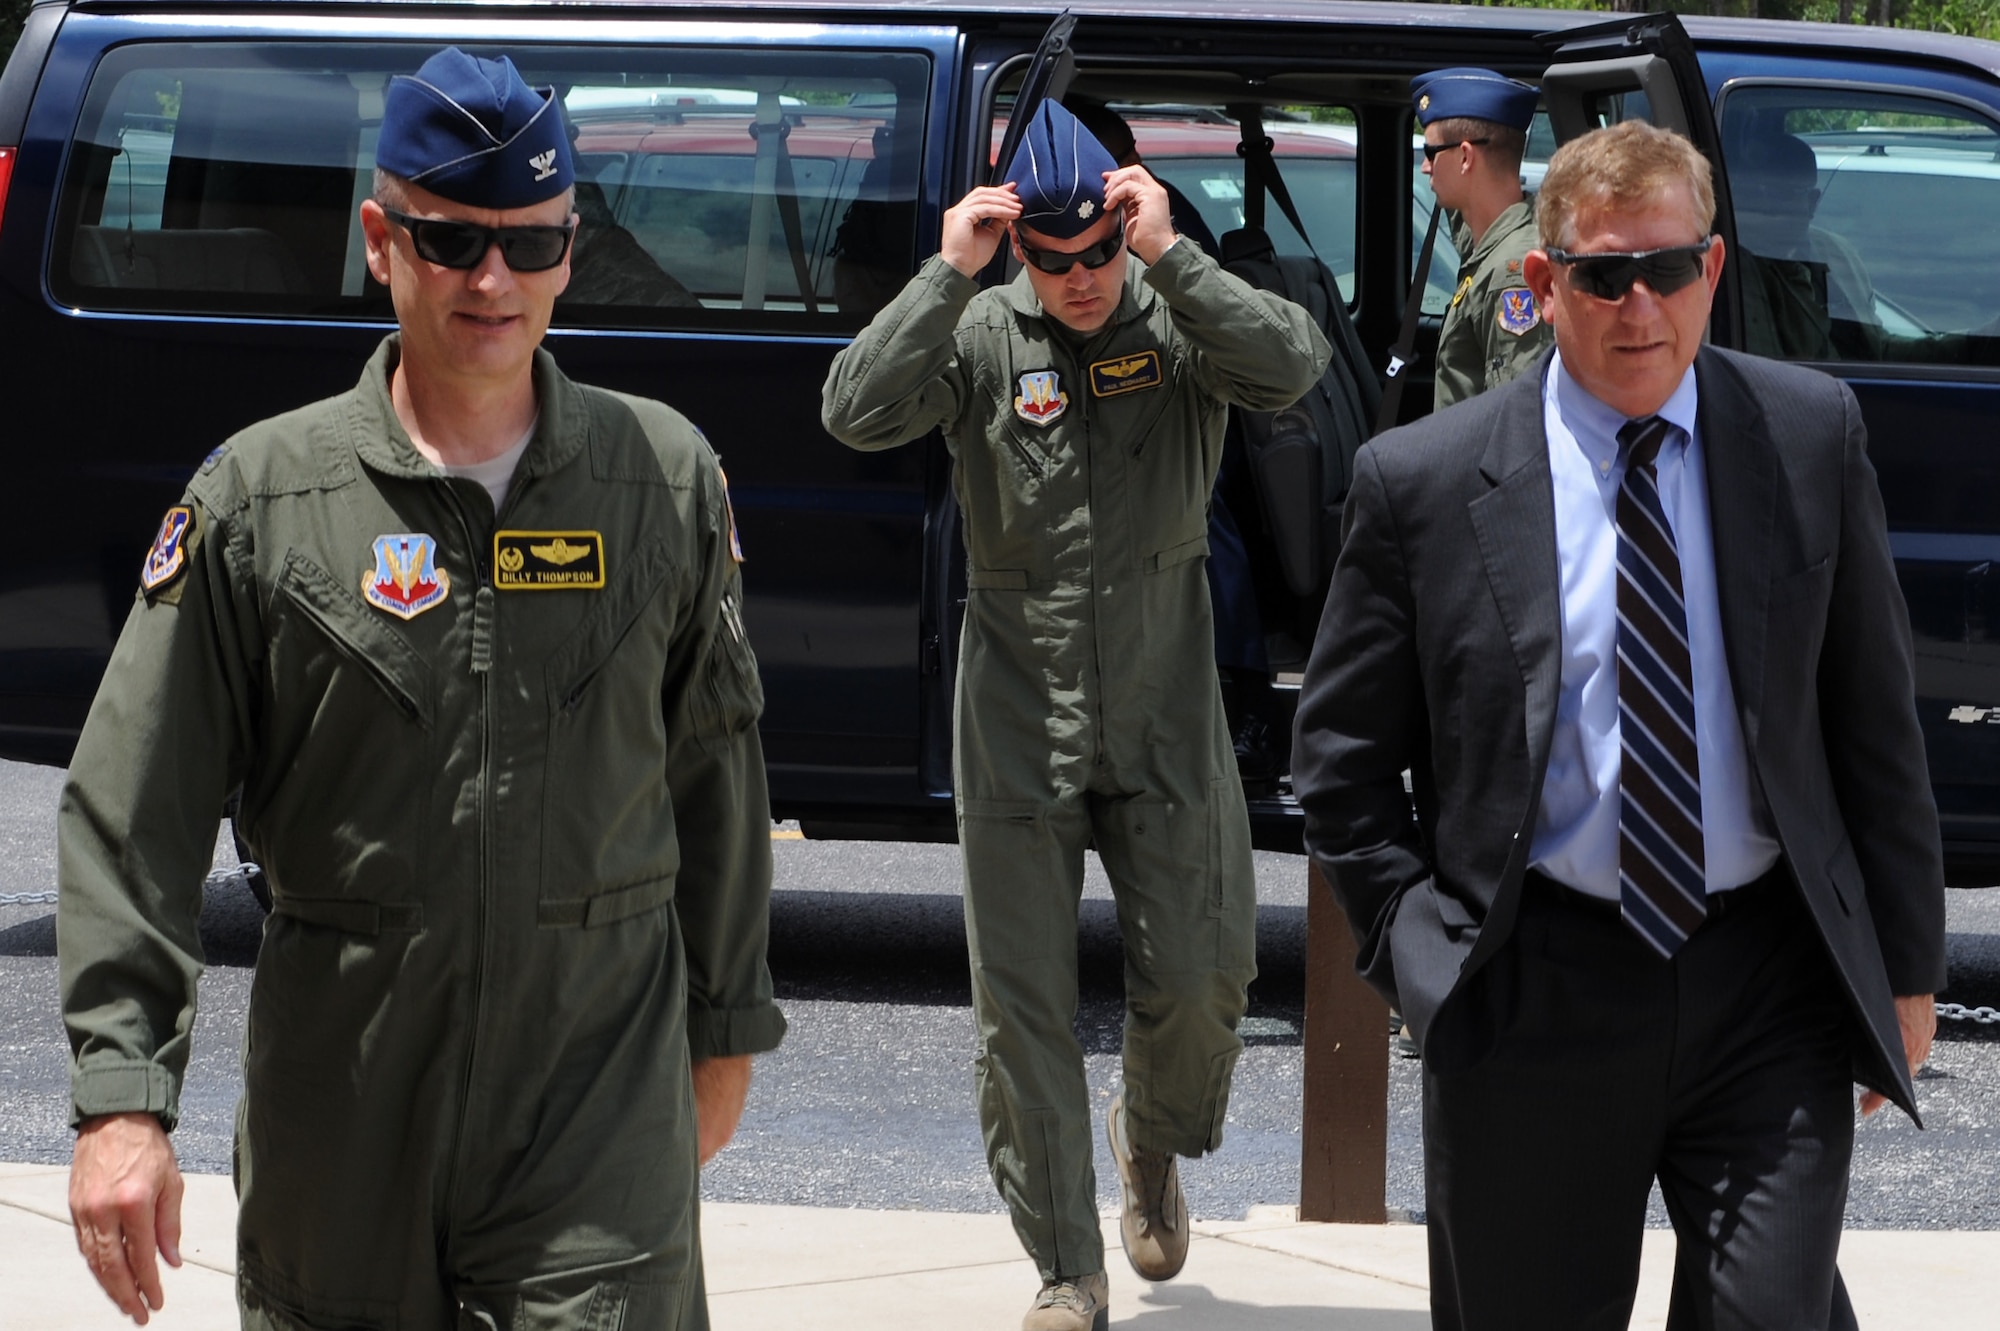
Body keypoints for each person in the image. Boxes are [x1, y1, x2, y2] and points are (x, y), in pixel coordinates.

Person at [59, 47, 784, 1330]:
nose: (493, 279)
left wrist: (723, 1033)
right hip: (345, 1119)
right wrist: (124, 1097)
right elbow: (136, 801)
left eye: (532, 241)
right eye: (451, 242)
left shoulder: (661, 479)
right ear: (381, 241)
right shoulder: (262, 499)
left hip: (591, 1114)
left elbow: (715, 780)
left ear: (570, 246)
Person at [1292, 118, 1945, 1329]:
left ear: (1710, 270)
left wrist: (1906, 963)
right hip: (1534, 986)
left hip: (1766, 979)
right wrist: (1425, 960)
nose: (1636, 302)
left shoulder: (1806, 435)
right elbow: (1336, 766)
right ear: (1543, 283)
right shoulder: (1422, 481)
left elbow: (1870, 724)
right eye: (1601, 273)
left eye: (1665, 267)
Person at [822, 99, 1328, 1331]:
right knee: (1022, 1014)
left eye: (1095, 250)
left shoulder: (1174, 310)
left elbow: (1293, 366)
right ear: (1017, 247)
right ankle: (1064, 1265)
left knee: (1208, 974)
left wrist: (1171, 254)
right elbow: (853, 409)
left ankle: (1147, 1137)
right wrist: (949, 273)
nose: (1078, 279)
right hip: (1015, 716)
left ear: (1122, 221)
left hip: (1162, 707)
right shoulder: (983, 331)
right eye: (1049, 259)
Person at [1062, 93, 1276, 783]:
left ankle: (1241, 699)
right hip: (1116, 417)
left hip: (1173, 408)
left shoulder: (1155, 215)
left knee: (1204, 526)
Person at [1415, 67, 1552, 411]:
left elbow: (1514, 419)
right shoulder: (1492, 244)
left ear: (1465, 157)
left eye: (1430, 152)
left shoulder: (1513, 271)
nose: (1425, 167)